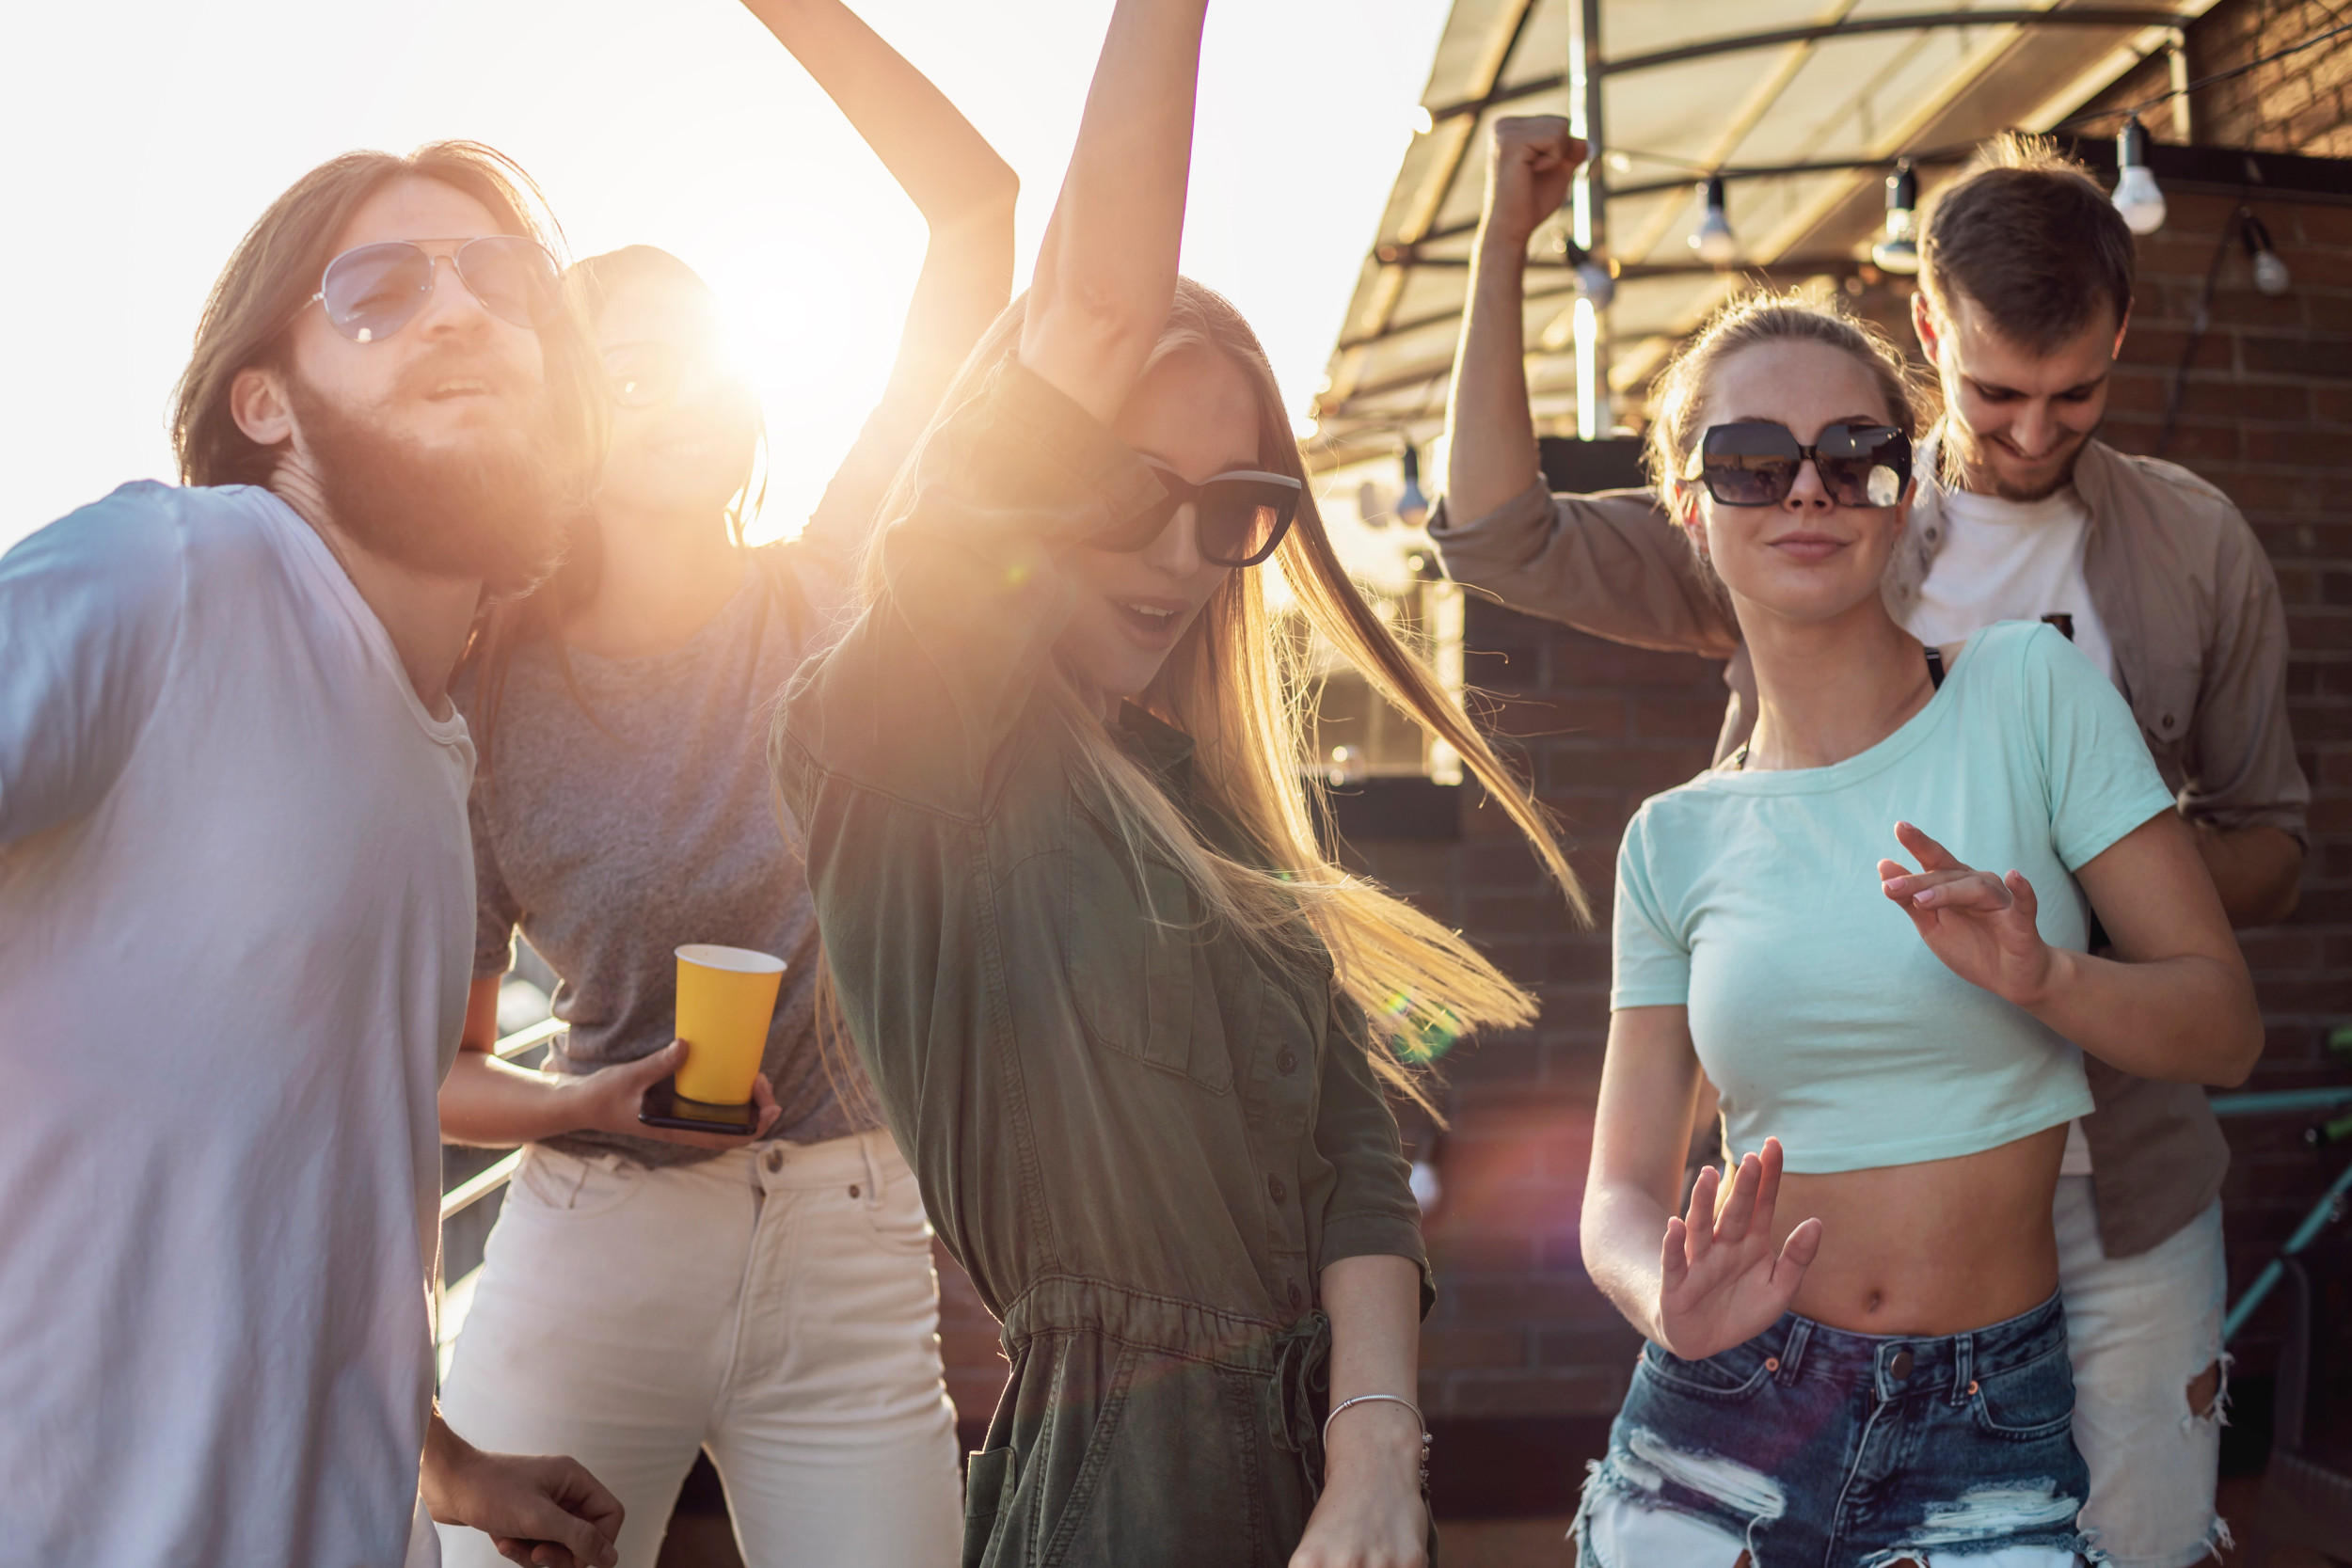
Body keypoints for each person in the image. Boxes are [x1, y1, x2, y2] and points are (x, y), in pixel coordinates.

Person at [776, 2, 1582, 1563]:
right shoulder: (904, 739)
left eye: (1235, 506)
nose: (1179, 552)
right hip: (1116, 1500)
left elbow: (1353, 1160)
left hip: (1318, 1495)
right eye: (1127, 490)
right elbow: (1080, 308)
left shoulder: (1210, 808)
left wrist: (1371, 1456)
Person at [1437, 122, 2307, 1567]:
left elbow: (2263, 874)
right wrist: (1503, 238)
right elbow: (1498, 537)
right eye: (1996, 392)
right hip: (1802, 1286)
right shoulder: (1798, 531)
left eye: (2076, 392)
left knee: (2145, 1535)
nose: (2031, 431)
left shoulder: (2176, 557)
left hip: (2121, 1161)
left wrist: (2080, 887)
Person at [431, 5, 1016, 1564]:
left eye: (694, 361)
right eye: (621, 375)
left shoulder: (833, 591)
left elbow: (979, 212)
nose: (670, 395)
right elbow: (443, 1067)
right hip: (594, 1247)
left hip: (848, 1238)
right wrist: (581, 1098)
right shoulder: (486, 688)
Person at [0, 143, 627, 1568]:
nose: (457, 312)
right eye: (376, 291)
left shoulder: (428, 748)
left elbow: (315, 1175)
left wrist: (442, 1465)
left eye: (500, 280)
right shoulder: (174, 578)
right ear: (264, 401)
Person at [1573, 289, 2263, 1564]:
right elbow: (1617, 1187)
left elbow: (2222, 1028)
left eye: (1855, 455)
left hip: (1987, 1422)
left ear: (1906, 485)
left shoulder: (2028, 692)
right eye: (1750, 462)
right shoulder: (1672, 838)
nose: (1808, 492)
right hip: (1723, 1412)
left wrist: (2049, 976)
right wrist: (1657, 1298)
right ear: (1689, 502)